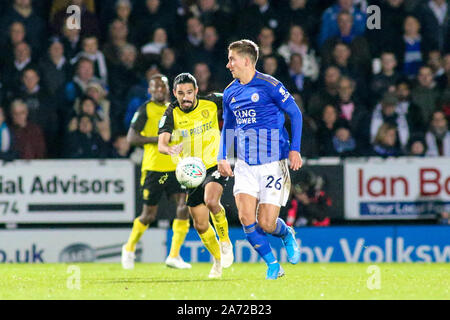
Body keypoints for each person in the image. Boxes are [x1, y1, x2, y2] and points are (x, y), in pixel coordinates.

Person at [218, 39, 302, 280]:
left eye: (232, 59)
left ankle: (286, 234)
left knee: (266, 223)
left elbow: (295, 114)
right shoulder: (230, 92)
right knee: (245, 217)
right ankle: (273, 265)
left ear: (246, 61)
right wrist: (222, 156)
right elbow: (229, 126)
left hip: (273, 163)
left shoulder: (270, 85)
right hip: (244, 164)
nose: (228, 64)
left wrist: (294, 149)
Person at [158, 73, 233, 278]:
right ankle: (218, 260)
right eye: (181, 93)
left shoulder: (211, 102)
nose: (186, 97)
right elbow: (161, 143)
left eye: (189, 92)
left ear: (196, 91)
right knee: (200, 225)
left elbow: (233, 96)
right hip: (192, 172)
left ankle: (225, 241)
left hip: (214, 164)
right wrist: (170, 149)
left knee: (211, 200)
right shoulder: (171, 112)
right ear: (174, 93)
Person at [121, 74, 192, 270]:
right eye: (155, 87)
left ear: (168, 88)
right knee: (149, 214)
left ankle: (174, 255)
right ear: (149, 90)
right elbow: (132, 138)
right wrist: (160, 140)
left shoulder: (178, 108)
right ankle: (129, 248)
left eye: (162, 87)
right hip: (154, 168)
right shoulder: (145, 109)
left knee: (184, 204)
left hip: (177, 166)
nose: (159, 90)